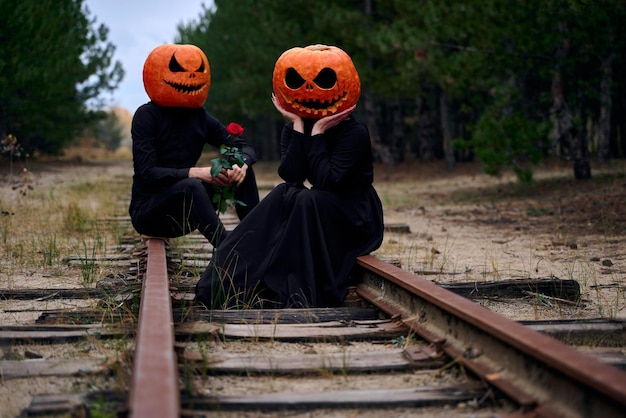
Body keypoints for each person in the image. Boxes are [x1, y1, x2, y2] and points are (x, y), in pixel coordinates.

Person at [195, 44, 384, 309]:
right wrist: (298, 127)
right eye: (295, 81)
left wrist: (317, 132)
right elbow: (291, 176)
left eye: (323, 81)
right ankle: (222, 281)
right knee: (285, 194)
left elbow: (326, 181)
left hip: (355, 215)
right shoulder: (293, 129)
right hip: (319, 209)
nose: (309, 90)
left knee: (306, 200)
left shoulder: (355, 133)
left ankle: (302, 290)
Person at [129, 44, 259, 246]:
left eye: (198, 70)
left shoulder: (199, 116)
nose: (190, 76)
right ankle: (228, 254)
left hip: (185, 215)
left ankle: (259, 242)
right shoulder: (146, 116)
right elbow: (148, 173)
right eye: (177, 68)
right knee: (192, 184)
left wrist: (243, 164)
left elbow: (244, 146)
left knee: (242, 171)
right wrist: (196, 173)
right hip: (149, 214)